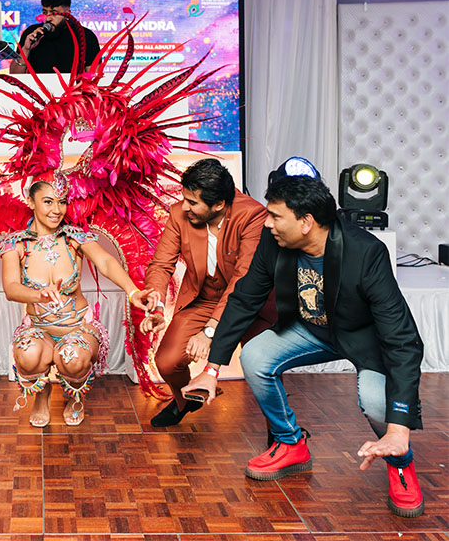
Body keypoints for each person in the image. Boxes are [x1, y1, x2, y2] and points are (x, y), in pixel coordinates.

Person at [182, 172, 425, 518]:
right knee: (255, 356)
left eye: (275, 216)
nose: (267, 224)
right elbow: (244, 298)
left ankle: (401, 464)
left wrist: (399, 430)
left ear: (306, 222)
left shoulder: (366, 252)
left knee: (375, 402)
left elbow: (402, 340)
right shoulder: (274, 241)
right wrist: (211, 369)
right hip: (311, 330)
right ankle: (290, 443)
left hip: (363, 339)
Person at [0, 173, 151, 426]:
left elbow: (106, 262)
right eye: (48, 202)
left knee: (73, 358)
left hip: (78, 327)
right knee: (26, 354)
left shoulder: (74, 238)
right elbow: (11, 288)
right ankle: (42, 395)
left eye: (62, 202)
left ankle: (75, 396)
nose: (57, 210)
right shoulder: (15, 245)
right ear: (30, 201)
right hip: (39, 328)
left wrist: (133, 292)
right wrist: (38, 295)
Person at [139, 159, 277, 427]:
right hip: (204, 299)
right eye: (185, 199)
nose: (184, 207)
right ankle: (186, 400)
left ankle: (279, 431)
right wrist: (156, 303)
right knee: (167, 362)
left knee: (263, 367)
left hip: (251, 304)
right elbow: (162, 263)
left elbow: (243, 279)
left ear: (219, 204)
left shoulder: (252, 215)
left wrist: (210, 331)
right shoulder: (179, 214)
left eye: (192, 202)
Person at [9, 0, 100, 75]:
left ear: (67, 13)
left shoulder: (85, 36)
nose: (48, 18)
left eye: (54, 13)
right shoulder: (31, 34)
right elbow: (15, 75)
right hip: (34, 86)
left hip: (72, 86)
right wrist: (26, 49)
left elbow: (94, 76)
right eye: (45, 12)